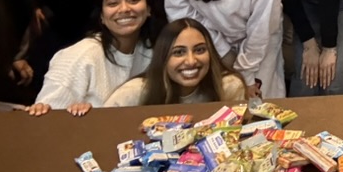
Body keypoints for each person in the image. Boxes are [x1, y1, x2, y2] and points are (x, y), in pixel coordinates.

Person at [26, 0, 158, 116]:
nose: (124, 9)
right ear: (101, 16)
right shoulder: (79, 55)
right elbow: (46, 117)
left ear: (149, 9)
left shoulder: (155, 51)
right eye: (113, 3)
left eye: (133, 0)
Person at [104, 18, 246, 107]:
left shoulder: (229, 87)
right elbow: (98, 128)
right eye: (178, 52)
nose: (191, 61)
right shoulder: (134, 92)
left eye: (200, 50)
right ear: (163, 58)